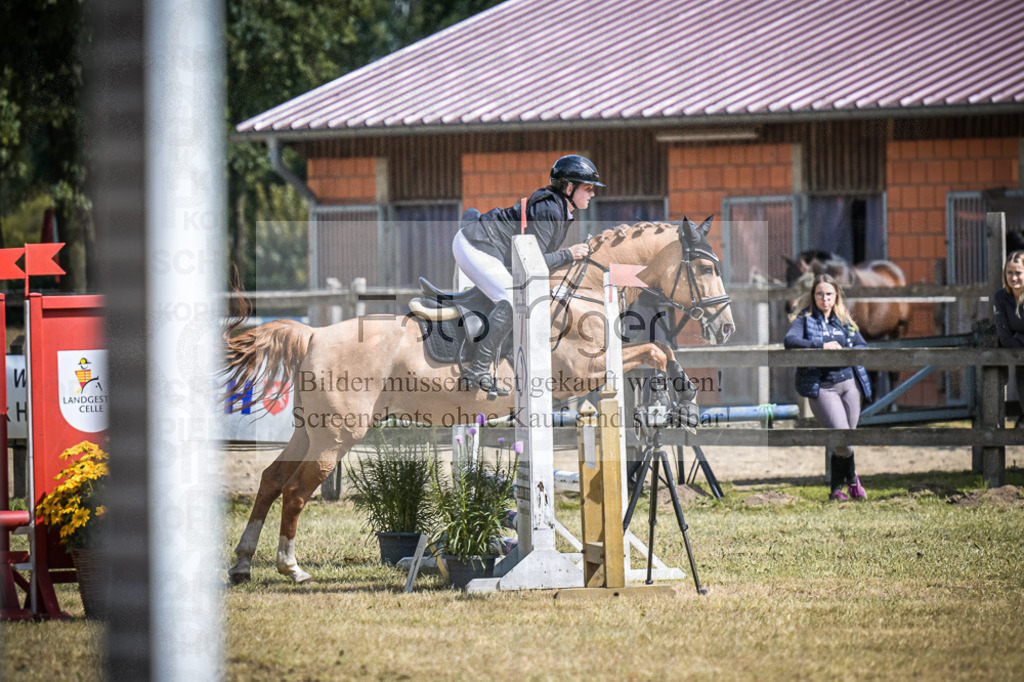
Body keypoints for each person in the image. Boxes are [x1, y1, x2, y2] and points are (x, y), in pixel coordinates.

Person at [452, 154, 601, 394]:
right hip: (475, 244)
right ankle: (478, 370)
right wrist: (568, 254)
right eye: (589, 188)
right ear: (570, 187)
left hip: (485, 244)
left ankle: (504, 355)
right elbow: (534, 262)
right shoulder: (549, 209)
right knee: (513, 300)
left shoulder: (558, 207)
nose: (593, 194)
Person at [784, 273, 873, 501]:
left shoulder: (843, 320)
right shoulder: (805, 320)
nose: (825, 298)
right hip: (823, 387)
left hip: (849, 385)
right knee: (842, 437)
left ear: (836, 296)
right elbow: (790, 342)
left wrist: (849, 353)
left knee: (845, 440)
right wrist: (820, 345)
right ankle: (853, 480)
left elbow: (863, 346)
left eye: (829, 294)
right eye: (820, 294)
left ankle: (836, 490)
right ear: (813, 296)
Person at [993, 250, 1024, 428]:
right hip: (1021, 368)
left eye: (1018, 272)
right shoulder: (1001, 297)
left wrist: (1017, 336)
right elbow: (1004, 337)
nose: (1014, 278)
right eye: (1010, 272)